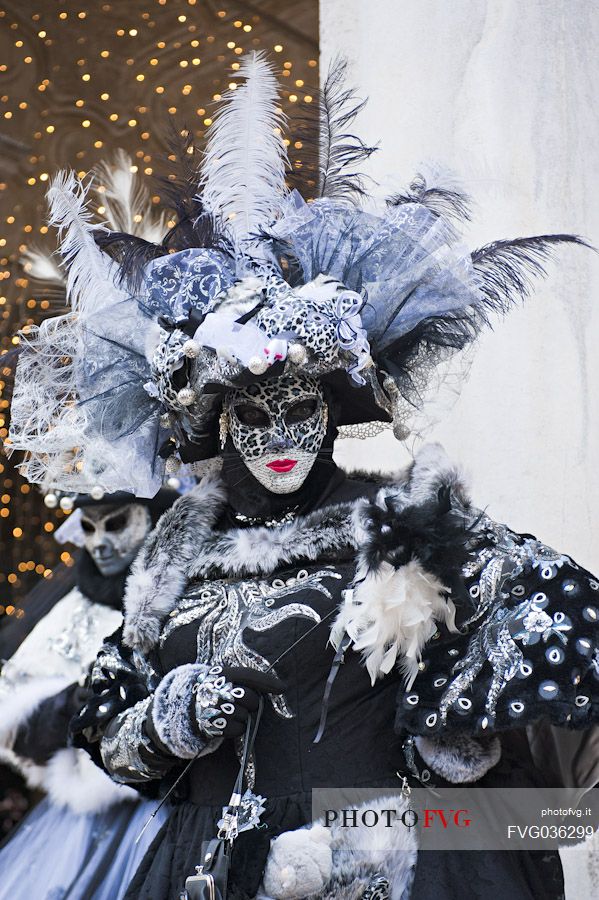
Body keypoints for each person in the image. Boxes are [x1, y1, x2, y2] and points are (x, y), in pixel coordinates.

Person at [8, 53, 598, 899]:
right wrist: (171, 715)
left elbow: (563, 624)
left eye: (302, 411)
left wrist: (451, 709)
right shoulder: (175, 556)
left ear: (332, 415)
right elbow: (105, 716)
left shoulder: (402, 523)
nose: (281, 435)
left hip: (374, 864)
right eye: (255, 414)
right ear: (218, 423)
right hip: (203, 869)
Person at [0, 489, 177, 900]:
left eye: (116, 523)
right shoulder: (76, 606)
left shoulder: (189, 594)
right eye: (88, 526)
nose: (99, 542)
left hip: (171, 807)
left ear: (154, 519)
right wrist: (68, 704)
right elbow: (16, 726)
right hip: (76, 821)